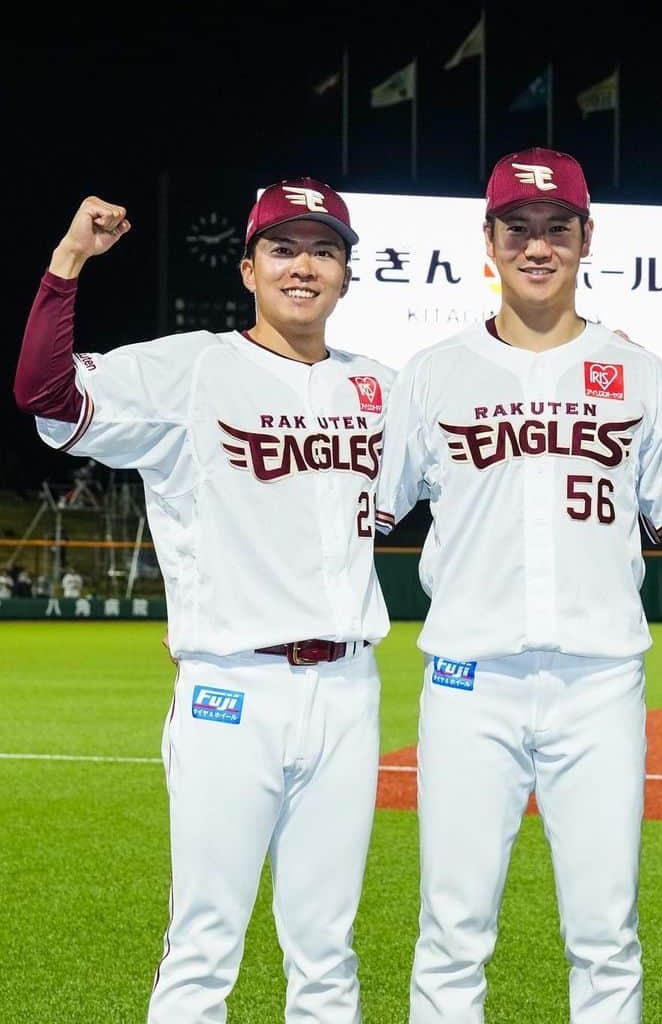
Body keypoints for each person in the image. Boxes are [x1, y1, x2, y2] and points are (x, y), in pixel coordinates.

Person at [14, 178, 394, 1023]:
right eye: (284, 248)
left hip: (348, 690)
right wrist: (70, 260)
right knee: (204, 945)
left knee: (327, 955)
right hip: (234, 689)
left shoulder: (380, 386)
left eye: (324, 250)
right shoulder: (191, 368)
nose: (304, 266)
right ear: (248, 267)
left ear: (346, 273)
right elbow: (46, 395)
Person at [375, 146, 662, 1024]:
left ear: (586, 237)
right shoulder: (431, 372)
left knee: (605, 932)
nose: (537, 245)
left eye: (556, 228)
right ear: (486, 240)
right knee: (453, 926)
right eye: (517, 228)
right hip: (466, 683)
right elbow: (357, 517)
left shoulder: (640, 372)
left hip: (600, 683)